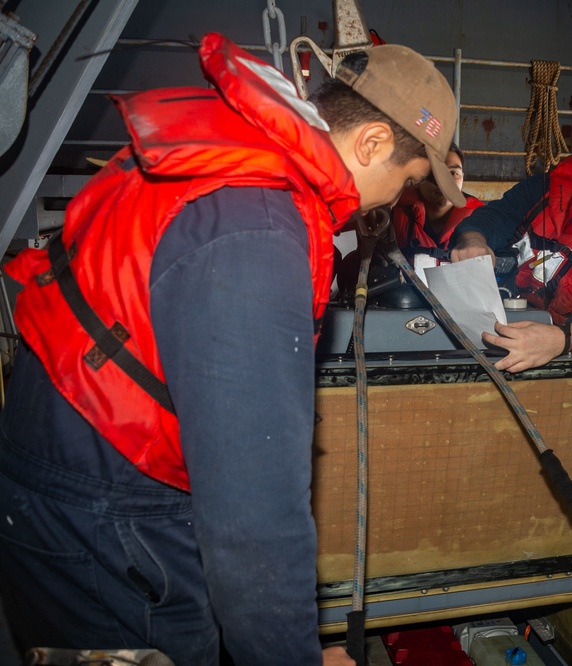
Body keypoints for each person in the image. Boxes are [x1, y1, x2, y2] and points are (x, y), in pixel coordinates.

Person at [0, 34, 463, 666]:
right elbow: (254, 523)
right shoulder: (262, 230)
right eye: (407, 182)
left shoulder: (234, 158)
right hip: (108, 513)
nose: (395, 202)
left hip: (68, 460)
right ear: (372, 143)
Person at [449, 115, 572, 372]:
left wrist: (561, 339)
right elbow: (498, 214)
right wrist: (473, 237)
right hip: (497, 336)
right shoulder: (542, 189)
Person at [391, 142, 485, 260]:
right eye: (434, 174)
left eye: (454, 173)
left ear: (463, 177)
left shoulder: (480, 219)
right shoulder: (391, 214)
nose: (445, 183)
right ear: (416, 179)